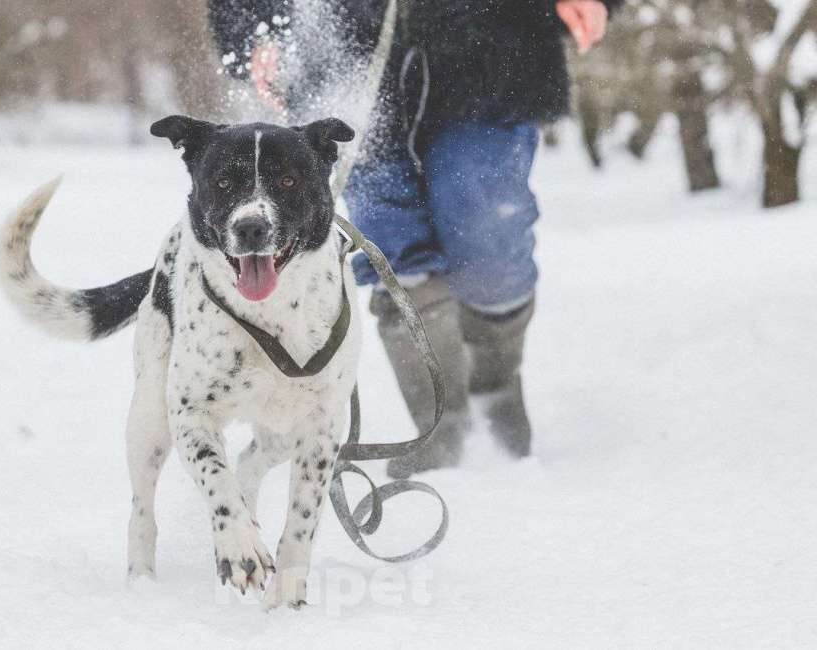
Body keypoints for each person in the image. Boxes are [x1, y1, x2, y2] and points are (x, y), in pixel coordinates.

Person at [208, 0, 619, 477]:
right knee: (391, 245)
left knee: (487, 231)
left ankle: (495, 388)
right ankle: (441, 425)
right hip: (341, 52)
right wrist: (257, 29)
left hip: (491, 39)